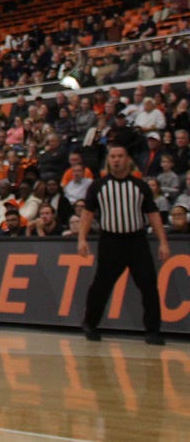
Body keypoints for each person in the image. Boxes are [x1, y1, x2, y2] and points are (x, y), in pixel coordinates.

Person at [78, 143, 171, 345]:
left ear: (128, 159)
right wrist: (82, 239)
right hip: (110, 241)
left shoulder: (141, 186)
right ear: (108, 160)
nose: (117, 160)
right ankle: (90, 324)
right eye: (113, 157)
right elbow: (87, 214)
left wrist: (163, 242)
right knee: (101, 286)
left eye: (120, 156)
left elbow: (153, 216)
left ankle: (153, 331)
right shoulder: (98, 186)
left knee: (148, 286)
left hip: (136, 241)